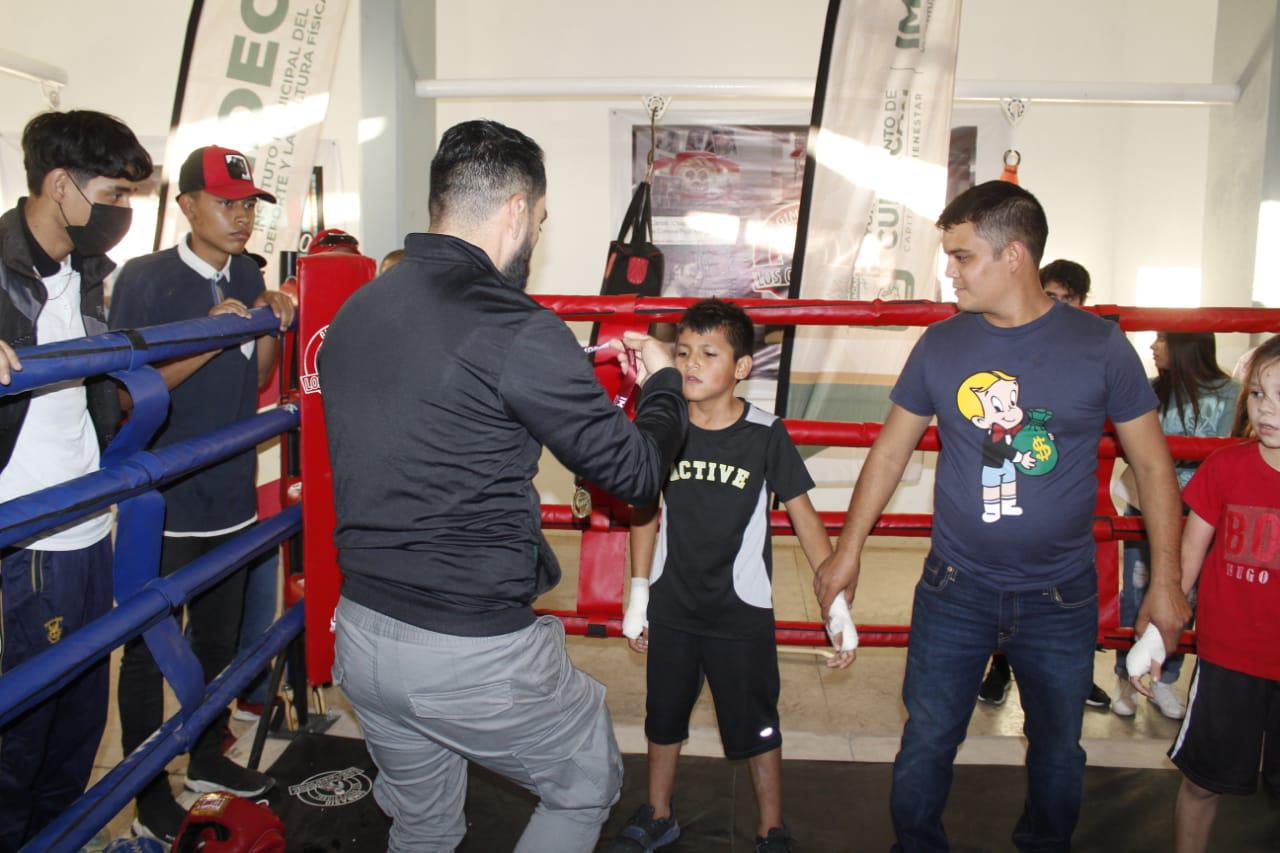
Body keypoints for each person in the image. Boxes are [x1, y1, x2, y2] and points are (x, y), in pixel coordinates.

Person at [318, 119, 688, 853]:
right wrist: (665, 384)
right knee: (583, 780)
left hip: (359, 636)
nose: (537, 238)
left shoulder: (357, 312)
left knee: (422, 826)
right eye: (541, 221)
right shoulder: (516, 326)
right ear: (517, 210)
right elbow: (638, 478)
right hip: (468, 647)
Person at [813, 180, 1191, 852]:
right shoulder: (941, 345)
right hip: (955, 587)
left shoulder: (1101, 347)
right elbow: (891, 451)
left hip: (1060, 595)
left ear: (1014, 256)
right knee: (927, 740)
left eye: (963, 257)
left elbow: (1156, 468)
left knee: (1055, 749)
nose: (949, 271)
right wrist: (848, 548)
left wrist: (1165, 582)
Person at [610, 299, 853, 853]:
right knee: (663, 715)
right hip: (673, 604)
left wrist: (834, 606)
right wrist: (638, 593)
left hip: (740, 610)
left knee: (756, 723)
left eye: (709, 354)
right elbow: (643, 510)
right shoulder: (662, 425)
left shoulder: (765, 433)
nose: (691, 364)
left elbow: (804, 516)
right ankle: (658, 813)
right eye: (683, 352)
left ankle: (771, 827)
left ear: (742, 367)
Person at [110, 145, 295, 842]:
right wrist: (214, 335)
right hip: (166, 495)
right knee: (148, 648)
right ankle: (145, 783)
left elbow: (256, 380)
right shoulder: (147, 279)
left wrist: (267, 319)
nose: (241, 216)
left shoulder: (247, 270)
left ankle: (207, 756)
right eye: (227, 202)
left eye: (249, 204)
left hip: (232, 489)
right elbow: (132, 394)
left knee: (218, 639)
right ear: (186, 205)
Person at [0, 109, 151, 850]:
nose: (123, 211)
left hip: (92, 517)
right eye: (115, 193)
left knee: (80, 723)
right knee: (25, 730)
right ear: (60, 185)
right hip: (30, 532)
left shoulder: (90, 272)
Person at [1162, 334, 1280, 852]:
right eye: (1258, 394)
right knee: (1202, 782)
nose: (1267, 409)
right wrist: (1155, 636)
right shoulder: (1226, 467)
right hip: (1230, 659)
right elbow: (1186, 561)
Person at [979, 258, 1110, 709]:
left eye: (1064, 298)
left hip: (1065, 545)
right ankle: (1000, 668)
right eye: (1048, 294)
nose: (1053, 305)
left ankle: (1077, 673)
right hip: (981, 557)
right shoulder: (1001, 349)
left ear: (1082, 303)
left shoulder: (1097, 348)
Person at [1113, 332, 1238, 720]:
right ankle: (1126, 678)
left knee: (1188, 598)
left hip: (1202, 515)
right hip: (1148, 511)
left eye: (1163, 340)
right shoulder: (1150, 390)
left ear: (1186, 346)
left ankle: (1165, 679)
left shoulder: (1232, 393)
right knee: (1136, 594)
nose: (1153, 347)